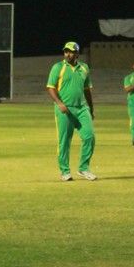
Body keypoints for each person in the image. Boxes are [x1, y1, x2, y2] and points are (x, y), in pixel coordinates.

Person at [46, 41, 97, 181]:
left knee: (89, 137)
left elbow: (87, 90)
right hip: (64, 109)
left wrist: (91, 109)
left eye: (71, 52)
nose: (68, 54)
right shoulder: (58, 67)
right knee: (64, 141)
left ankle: (84, 168)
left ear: (77, 53)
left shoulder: (84, 68)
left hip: (82, 108)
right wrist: (59, 103)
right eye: (66, 51)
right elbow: (50, 87)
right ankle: (65, 171)